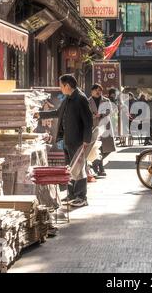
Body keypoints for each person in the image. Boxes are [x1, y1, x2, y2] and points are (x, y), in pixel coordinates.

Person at [37, 74, 93, 208]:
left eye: (61, 86)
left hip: (78, 140)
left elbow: (88, 121)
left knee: (78, 169)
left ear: (67, 86)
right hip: (67, 139)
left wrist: (86, 139)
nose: (60, 88)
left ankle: (81, 197)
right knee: (70, 168)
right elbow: (58, 112)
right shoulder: (68, 98)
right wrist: (40, 114)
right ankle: (72, 194)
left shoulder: (80, 98)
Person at [88, 83, 115, 177]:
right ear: (92, 91)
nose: (98, 92)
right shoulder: (88, 101)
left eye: (100, 90)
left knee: (108, 148)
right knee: (95, 148)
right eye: (96, 90)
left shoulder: (106, 100)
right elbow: (85, 113)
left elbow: (110, 111)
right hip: (94, 126)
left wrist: (101, 114)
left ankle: (98, 163)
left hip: (105, 126)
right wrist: (94, 116)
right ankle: (99, 168)